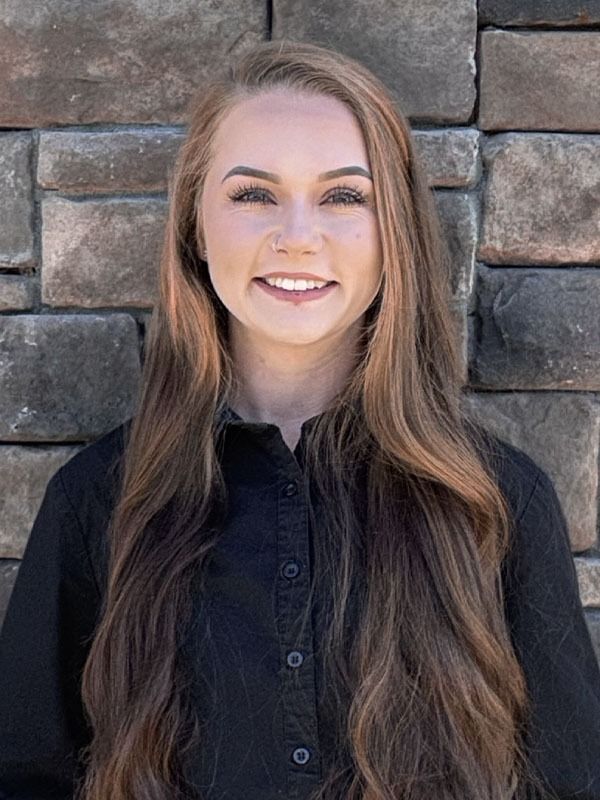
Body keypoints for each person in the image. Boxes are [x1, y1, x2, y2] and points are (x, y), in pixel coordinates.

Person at [0, 38, 599, 800]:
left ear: (394, 231)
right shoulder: (96, 504)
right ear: (194, 225)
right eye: (253, 195)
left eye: (344, 197)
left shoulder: (498, 505)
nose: (297, 235)